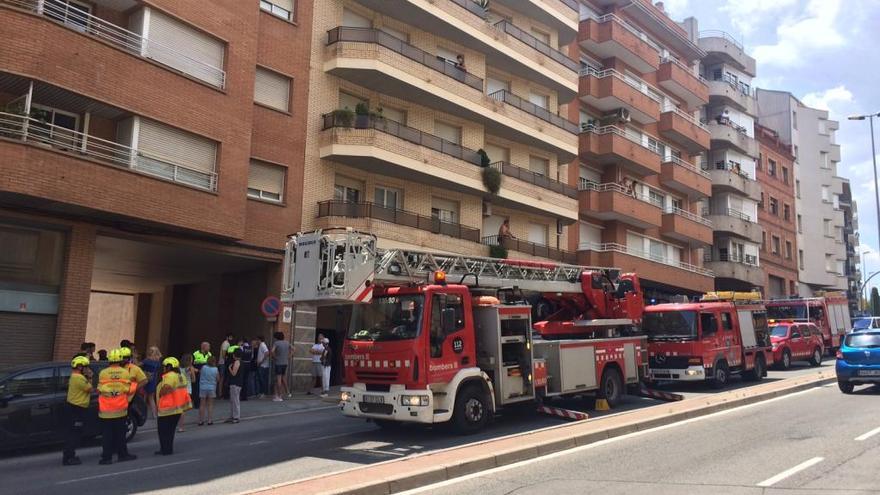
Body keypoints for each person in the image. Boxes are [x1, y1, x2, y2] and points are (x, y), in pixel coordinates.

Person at [97, 349, 136, 465]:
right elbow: (129, 389)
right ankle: (122, 455)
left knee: (106, 435)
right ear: (120, 359)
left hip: (105, 409)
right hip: (120, 409)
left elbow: (99, 388)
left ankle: (106, 458)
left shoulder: (103, 373)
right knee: (120, 434)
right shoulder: (125, 373)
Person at [155, 357, 192, 456]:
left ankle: (165, 450)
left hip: (167, 409)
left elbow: (167, 386)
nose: (163, 368)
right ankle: (168, 449)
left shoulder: (169, 376)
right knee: (170, 432)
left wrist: (161, 393)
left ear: (169, 367)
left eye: (164, 366)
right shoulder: (181, 376)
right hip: (178, 409)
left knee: (163, 431)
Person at [63, 355, 93, 466]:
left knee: (73, 432)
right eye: (86, 367)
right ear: (80, 367)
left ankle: (69, 455)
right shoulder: (79, 378)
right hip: (77, 408)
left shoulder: (74, 376)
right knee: (74, 434)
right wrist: (90, 377)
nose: (87, 369)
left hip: (73, 407)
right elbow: (90, 389)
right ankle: (69, 457)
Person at [141, 346, 162, 418]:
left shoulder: (147, 361)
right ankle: (154, 414)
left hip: (145, 379)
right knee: (151, 398)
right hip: (153, 380)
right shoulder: (157, 362)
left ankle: (142, 412)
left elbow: (139, 365)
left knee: (144, 396)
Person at [198, 356, 218, 425]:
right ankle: (209, 420)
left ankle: (201, 420)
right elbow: (218, 379)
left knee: (202, 404)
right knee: (210, 404)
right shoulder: (216, 369)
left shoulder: (203, 367)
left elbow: (200, 373)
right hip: (211, 387)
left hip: (203, 387)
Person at [271, 332, 292, 401]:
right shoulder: (287, 343)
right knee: (283, 378)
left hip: (278, 363)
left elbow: (272, 351)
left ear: (276, 337)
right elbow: (294, 349)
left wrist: (275, 357)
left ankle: (279, 396)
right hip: (285, 363)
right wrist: (289, 356)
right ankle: (288, 392)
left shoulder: (276, 343)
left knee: (278, 380)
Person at [177, 354, 195, 433]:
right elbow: (194, 380)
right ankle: (181, 427)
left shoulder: (178, 368)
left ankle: (176, 425)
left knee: (178, 408)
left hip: (179, 388)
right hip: (187, 389)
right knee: (183, 410)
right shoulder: (190, 368)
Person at [191, 342, 211, 409]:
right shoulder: (195, 354)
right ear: (203, 347)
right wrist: (195, 369)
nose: (209, 348)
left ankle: (202, 403)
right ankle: (196, 404)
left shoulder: (209, 354)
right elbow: (190, 364)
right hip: (197, 374)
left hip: (206, 374)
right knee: (196, 389)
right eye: (208, 347)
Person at [226, 348, 243, 424]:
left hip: (235, 383)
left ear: (234, 355)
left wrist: (229, 368)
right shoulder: (241, 362)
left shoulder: (237, 362)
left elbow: (234, 373)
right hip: (237, 383)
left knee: (235, 400)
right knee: (233, 400)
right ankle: (233, 416)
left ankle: (236, 417)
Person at [218, 333, 233, 399]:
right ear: (227, 337)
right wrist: (226, 360)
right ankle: (220, 393)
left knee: (223, 378)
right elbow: (224, 353)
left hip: (223, 363)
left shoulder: (227, 343)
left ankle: (221, 393)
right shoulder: (226, 343)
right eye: (230, 337)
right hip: (223, 363)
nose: (231, 339)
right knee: (222, 378)